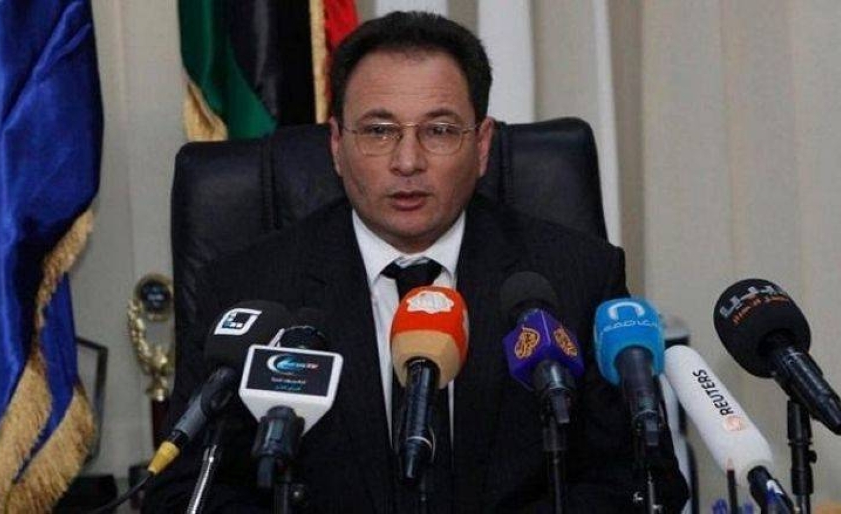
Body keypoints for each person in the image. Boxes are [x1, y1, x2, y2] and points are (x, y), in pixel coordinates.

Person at [144, 11, 689, 513]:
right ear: (336, 145)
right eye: (379, 131)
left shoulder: (577, 278)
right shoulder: (247, 291)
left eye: (440, 130)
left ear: (482, 145)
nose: (407, 161)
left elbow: (643, 481)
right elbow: (183, 492)